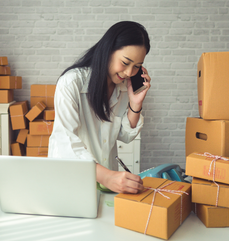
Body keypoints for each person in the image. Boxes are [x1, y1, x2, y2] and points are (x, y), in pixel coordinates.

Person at [48, 21, 151, 194]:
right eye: (125, 62)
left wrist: (135, 104)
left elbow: (125, 136)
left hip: (105, 185)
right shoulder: (71, 83)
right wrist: (107, 177)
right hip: (72, 181)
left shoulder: (123, 87)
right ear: (108, 50)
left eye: (137, 67)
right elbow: (66, 142)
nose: (128, 72)